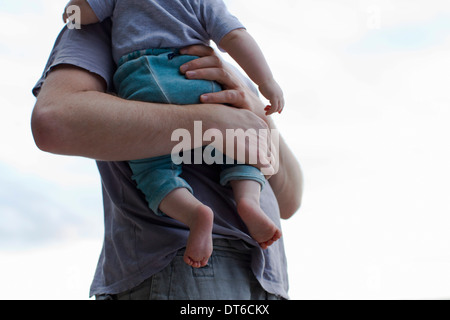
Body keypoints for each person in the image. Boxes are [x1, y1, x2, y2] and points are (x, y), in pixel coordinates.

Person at [31, 21, 303, 300]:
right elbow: (53, 120)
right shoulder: (105, 25)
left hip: (268, 276)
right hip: (183, 262)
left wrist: (259, 113)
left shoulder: (216, 47)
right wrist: (211, 123)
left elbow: (290, 199)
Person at [62, 0, 285, 268]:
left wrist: (70, 13)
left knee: (152, 167)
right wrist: (267, 83)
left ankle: (194, 214)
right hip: (200, 78)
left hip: (147, 76)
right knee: (239, 151)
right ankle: (249, 201)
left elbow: (77, 14)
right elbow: (235, 35)